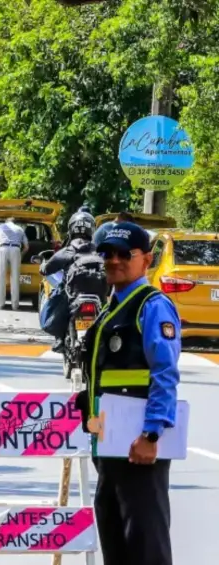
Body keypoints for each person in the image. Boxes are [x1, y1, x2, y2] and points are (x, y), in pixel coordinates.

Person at [79, 222, 180, 565]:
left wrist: (152, 433)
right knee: (115, 538)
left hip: (140, 447)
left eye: (125, 254)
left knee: (145, 543)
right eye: (107, 253)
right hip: (111, 445)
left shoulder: (150, 306)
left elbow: (164, 374)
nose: (114, 260)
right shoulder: (112, 307)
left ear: (146, 260)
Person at [40, 210, 98, 352]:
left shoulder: (68, 250)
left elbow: (47, 269)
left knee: (56, 296)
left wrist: (42, 265)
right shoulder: (99, 251)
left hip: (72, 294)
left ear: (71, 229)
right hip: (99, 295)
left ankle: (60, 339)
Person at [0, 217, 28, 310]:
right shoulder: (20, 229)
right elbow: (26, 247)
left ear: (6, 221)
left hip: (3, 248)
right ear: (15, 222)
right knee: (15, 278)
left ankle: (0, 304)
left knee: (1, 277)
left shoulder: (0, 226)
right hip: (16, 250)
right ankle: (15, 305)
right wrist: (21, 254)